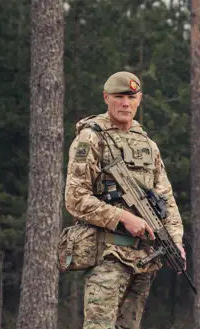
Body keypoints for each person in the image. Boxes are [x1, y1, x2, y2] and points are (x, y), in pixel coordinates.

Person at [64, 71, 186, 329]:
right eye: (119, 97)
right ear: (106, 98)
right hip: (107, 256)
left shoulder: (148, 145)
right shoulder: (91, 137)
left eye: (131, 97)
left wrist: (175, 241)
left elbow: (167, 199)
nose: (125, 103)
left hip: (144, 259)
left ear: (139, 99)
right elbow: (75, 198)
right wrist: (122, 217)